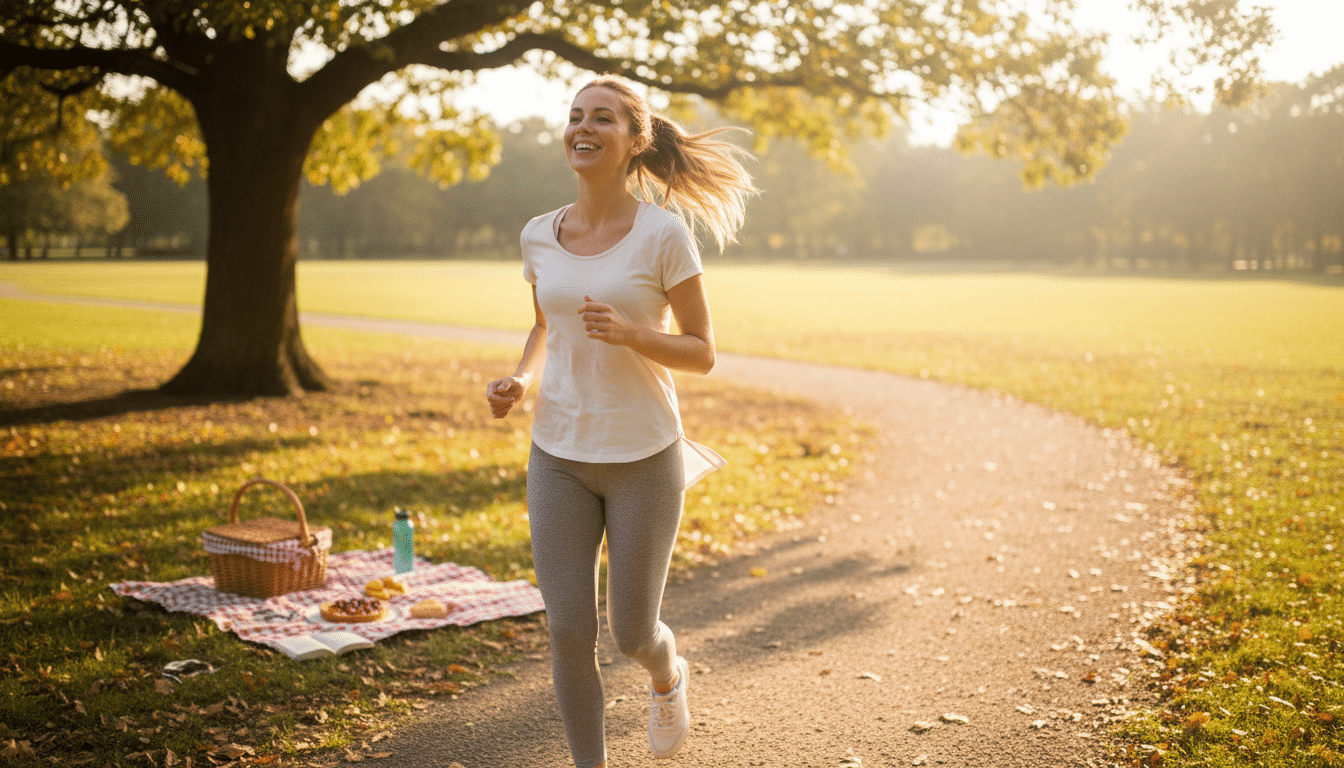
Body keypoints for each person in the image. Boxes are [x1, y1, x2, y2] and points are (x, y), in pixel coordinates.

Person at [485, 75, 755, 767]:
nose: (583, 127)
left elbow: (703, 352)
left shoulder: (664, 236)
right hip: (558, 454)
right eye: (575, 116)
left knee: (632, 633)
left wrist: (635, 335)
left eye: (602, 118)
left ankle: (668, 676)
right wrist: (522, 376)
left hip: (643, 458)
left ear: (636, 141)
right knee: (570, 630)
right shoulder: (539, 235)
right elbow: (545, 324)